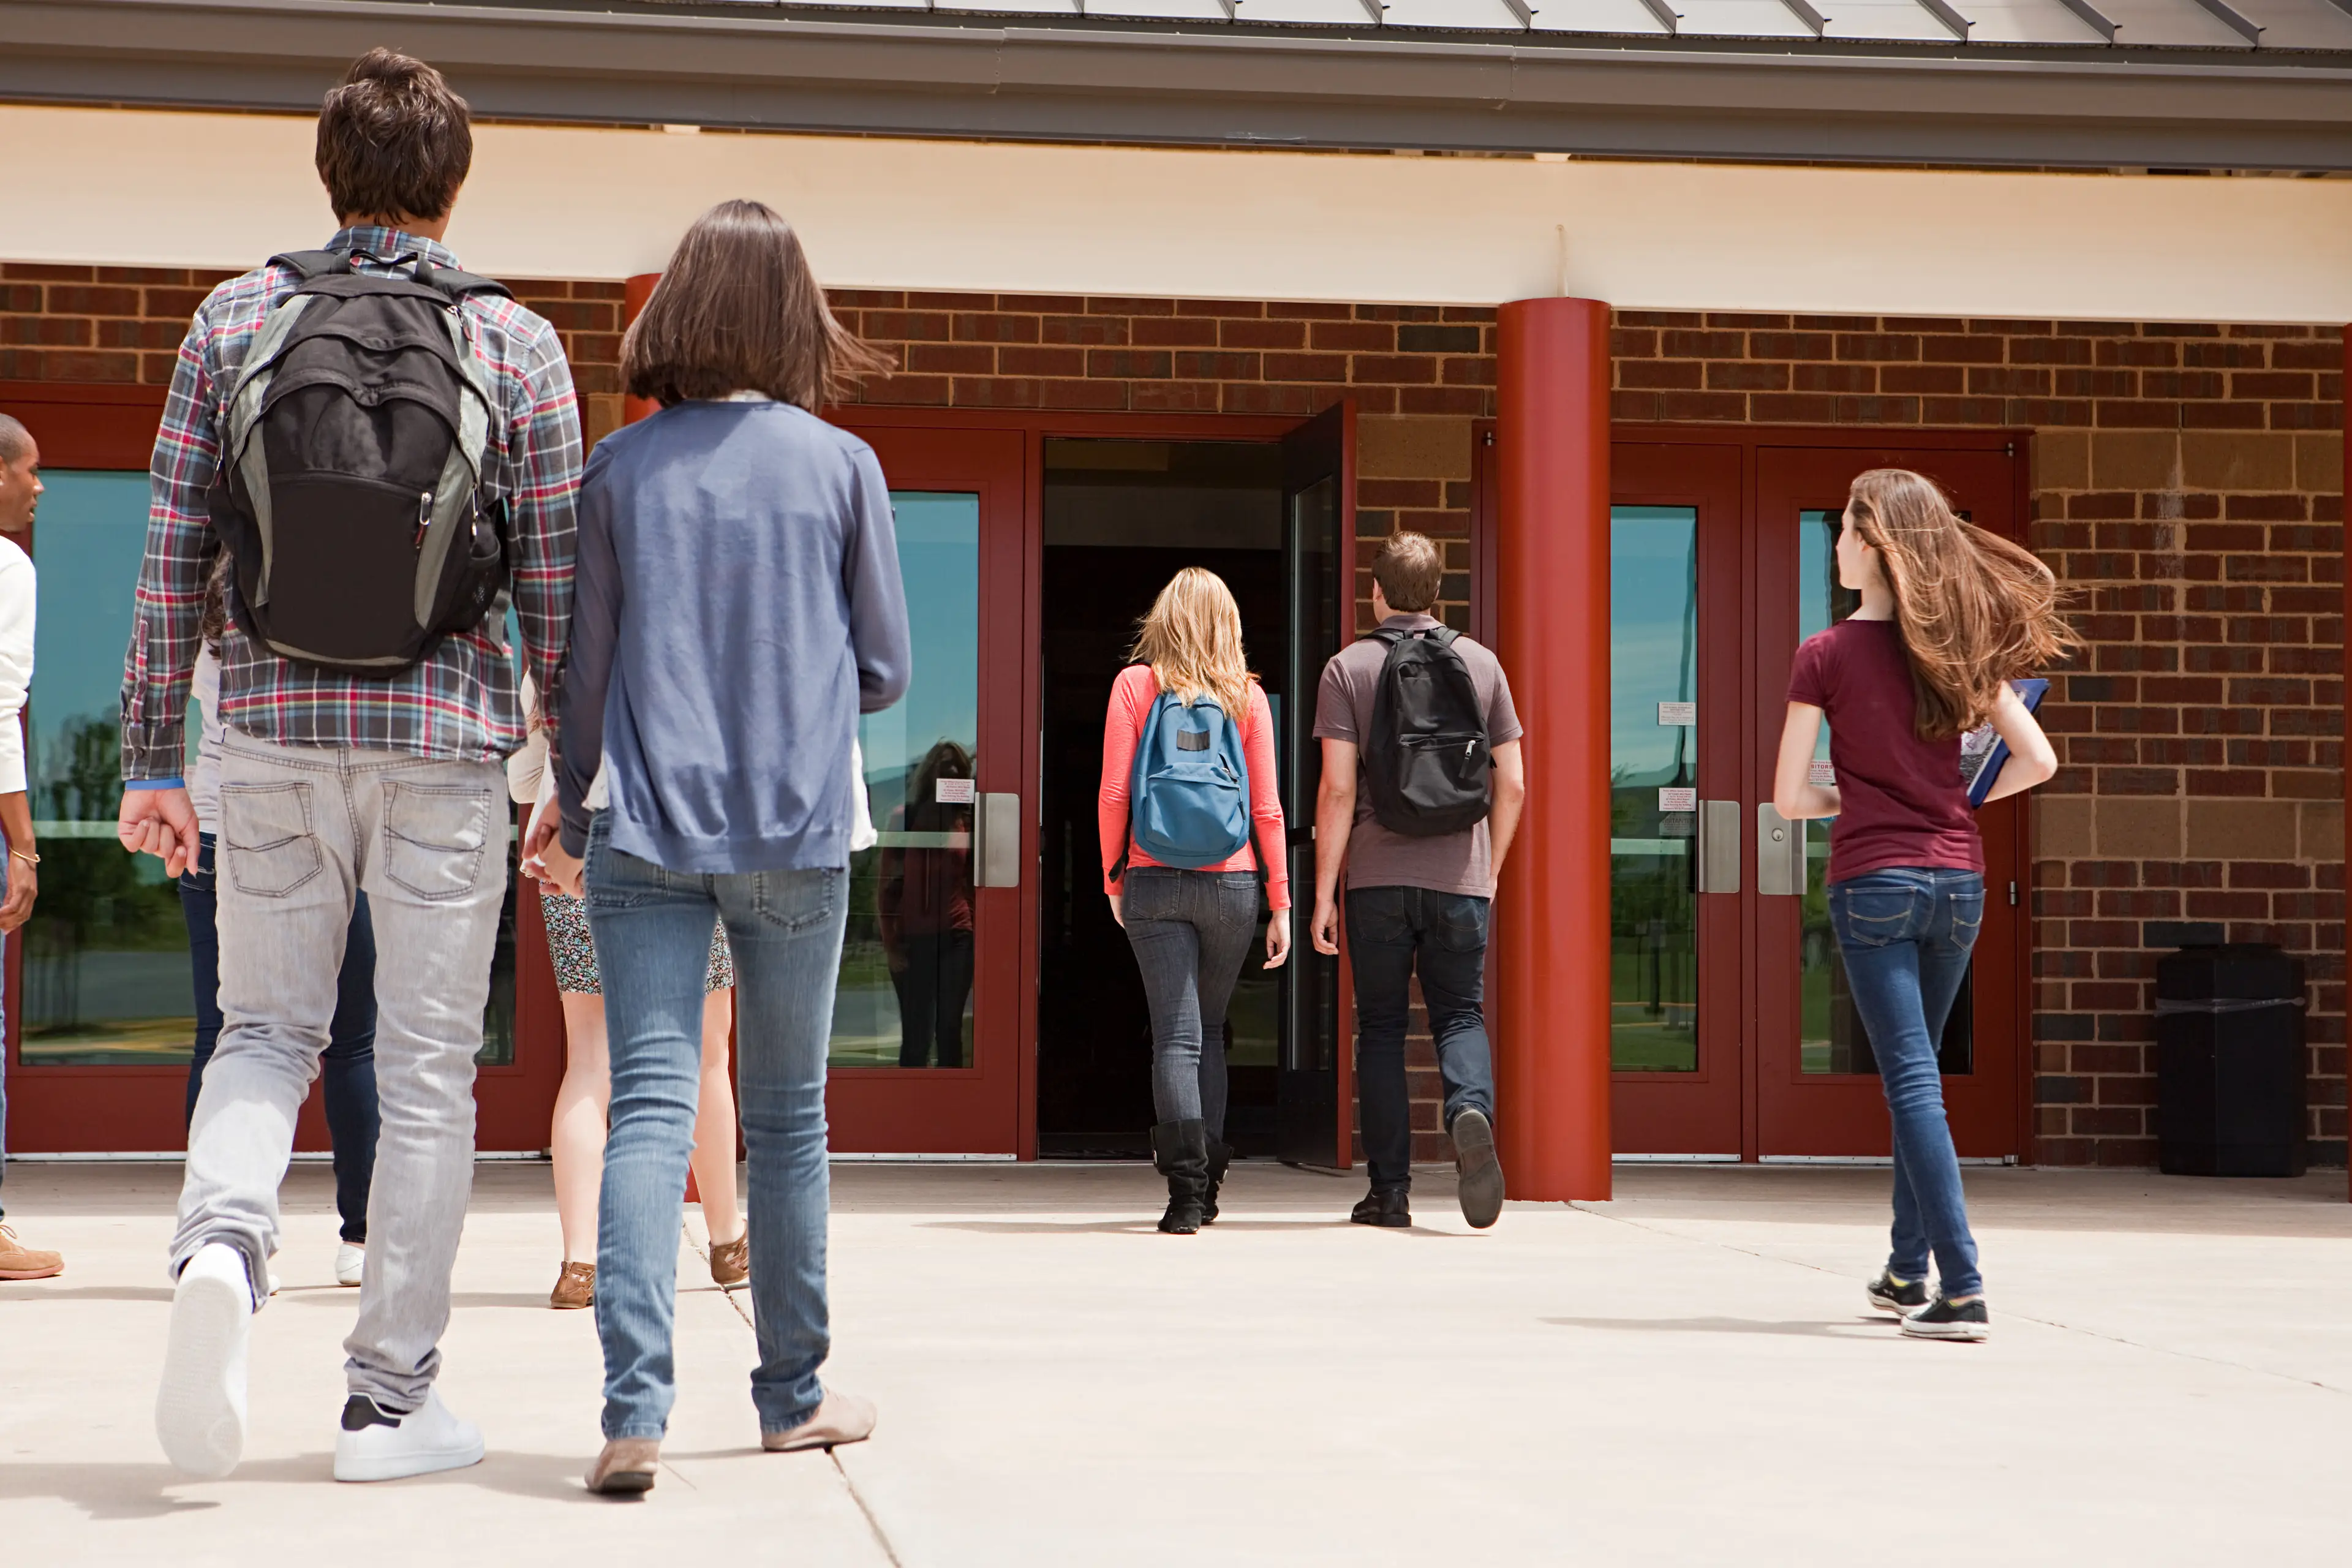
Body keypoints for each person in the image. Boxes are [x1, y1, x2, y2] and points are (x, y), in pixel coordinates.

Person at [117, 50, 581, 1481]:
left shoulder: (234, 317)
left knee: (264, 1030)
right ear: (454, 182)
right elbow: (554, 586)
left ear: (328, 173)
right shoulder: (515, 342)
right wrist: (570, 765)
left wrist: (150, 753)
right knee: (431, 1067)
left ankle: (220, 1247)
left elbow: (170, 553)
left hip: (258, 730)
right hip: (444, 743)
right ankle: (389, 1401)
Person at [528, 198, 909, 1496]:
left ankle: (634, 1408)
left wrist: (574, 809)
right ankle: (792, 1396)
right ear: (796, 316)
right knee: (788, 1119)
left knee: (648, 1102)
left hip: (640, 830)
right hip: (796, 830)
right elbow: (886, 669)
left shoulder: (619, 469)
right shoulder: (842, 464)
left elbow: (580, 679)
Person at [1771, 468, 2065, 1344]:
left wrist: (1853, 802)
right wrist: (1957, 804)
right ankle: (1908, 1269)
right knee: (1920, 1079)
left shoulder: (1823, 655)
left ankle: (1964, 1285)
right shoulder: (1961, 649)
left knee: (1911, 1083)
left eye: (1846, 530)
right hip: (1958, 886)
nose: (1836, 545)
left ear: (1876, 547)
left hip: (1875, 885)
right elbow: (2040, 760)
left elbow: (1788, 797)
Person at [1311, 530, 1525, 1231]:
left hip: (1376, 879)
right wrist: (1486, 873)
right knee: (1460, 1014)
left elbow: (1339, 792)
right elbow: (1514, 785)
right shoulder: (1482, 663)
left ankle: (1389, 1192)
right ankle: (1469, 1108)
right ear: (1439, 593)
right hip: (1460, 876)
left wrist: (1323, 894)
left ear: (1376, 593)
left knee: (1379, 1028)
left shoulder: (1348, 668)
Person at [509, 680, 746, 1310]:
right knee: (707, 1056)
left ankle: (579, 1264)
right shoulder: (689, 614)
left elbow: (521, 776)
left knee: (590, 1060)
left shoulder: (560, 629)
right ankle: (726, 1242)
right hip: (687, 847)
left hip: (571, 855)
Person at [181, 557, 380, 1290]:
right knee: (353, 1038)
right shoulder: (310, 598)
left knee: (225, 1032)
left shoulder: (204, 615)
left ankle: (212, 1230)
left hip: (215, 824)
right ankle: (362, 1235)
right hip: (324, 832)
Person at [1099, 568, 1289, 1234]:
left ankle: (1182, 1197)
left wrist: (1112, 878)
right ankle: (1208, 1187)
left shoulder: (1135, 686)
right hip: (1234, 884)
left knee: (1174, 1038)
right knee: (1209, 1031)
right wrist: (1282, 901)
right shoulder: (1248, 698)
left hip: (1152, 877)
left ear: (1163, 620)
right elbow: (1266, 807)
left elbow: (1116, 796)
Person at [0, 412, 53, 1284]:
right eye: (29, 470)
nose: (39, 485)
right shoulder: (7, 566)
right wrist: (24, 845)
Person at [878, 739, 974, 1069]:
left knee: (948, 1028)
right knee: (916, 1036)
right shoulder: (903, 819)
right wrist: (891, 945)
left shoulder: (967, 821)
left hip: (957, 936)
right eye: (942, 765)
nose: (949, 772)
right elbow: (886, 889)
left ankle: (954, 1113)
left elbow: (980, 883)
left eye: (957, 768)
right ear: (929, 771)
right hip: (913, 939)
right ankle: (910, 1114)